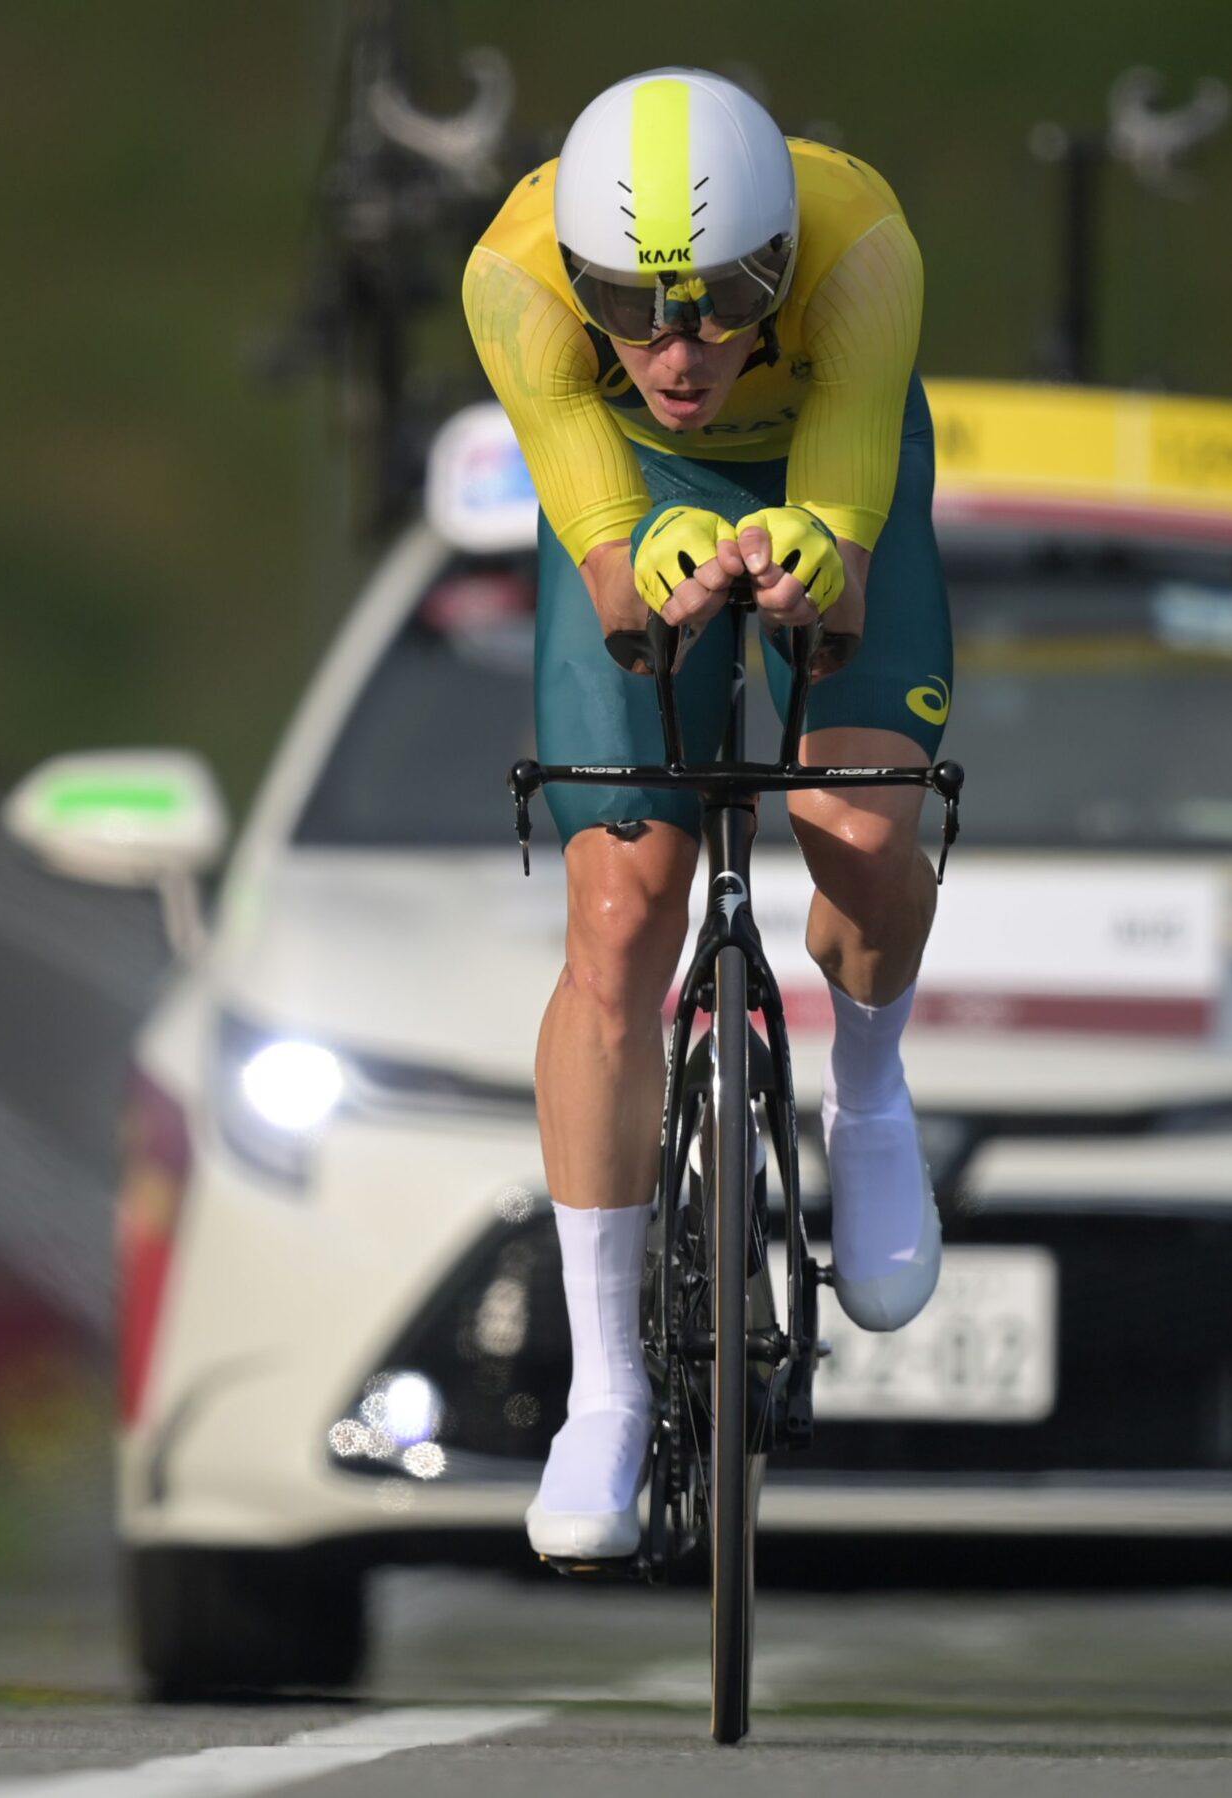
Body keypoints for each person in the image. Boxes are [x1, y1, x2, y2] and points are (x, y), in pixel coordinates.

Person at [463, 68, 952, 1560]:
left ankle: (866, 1090)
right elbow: (617, 586)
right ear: (580, 281)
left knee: (861, 825)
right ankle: (602, 1386)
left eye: (727, 301)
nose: (677, 352)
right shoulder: (515, 279)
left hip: (827, 480)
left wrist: (819, 554)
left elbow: (849, 591)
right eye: (634, 306)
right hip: (639, 499)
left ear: (784, 268)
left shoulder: (863, 246)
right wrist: (652, 538)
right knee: (619, 910)